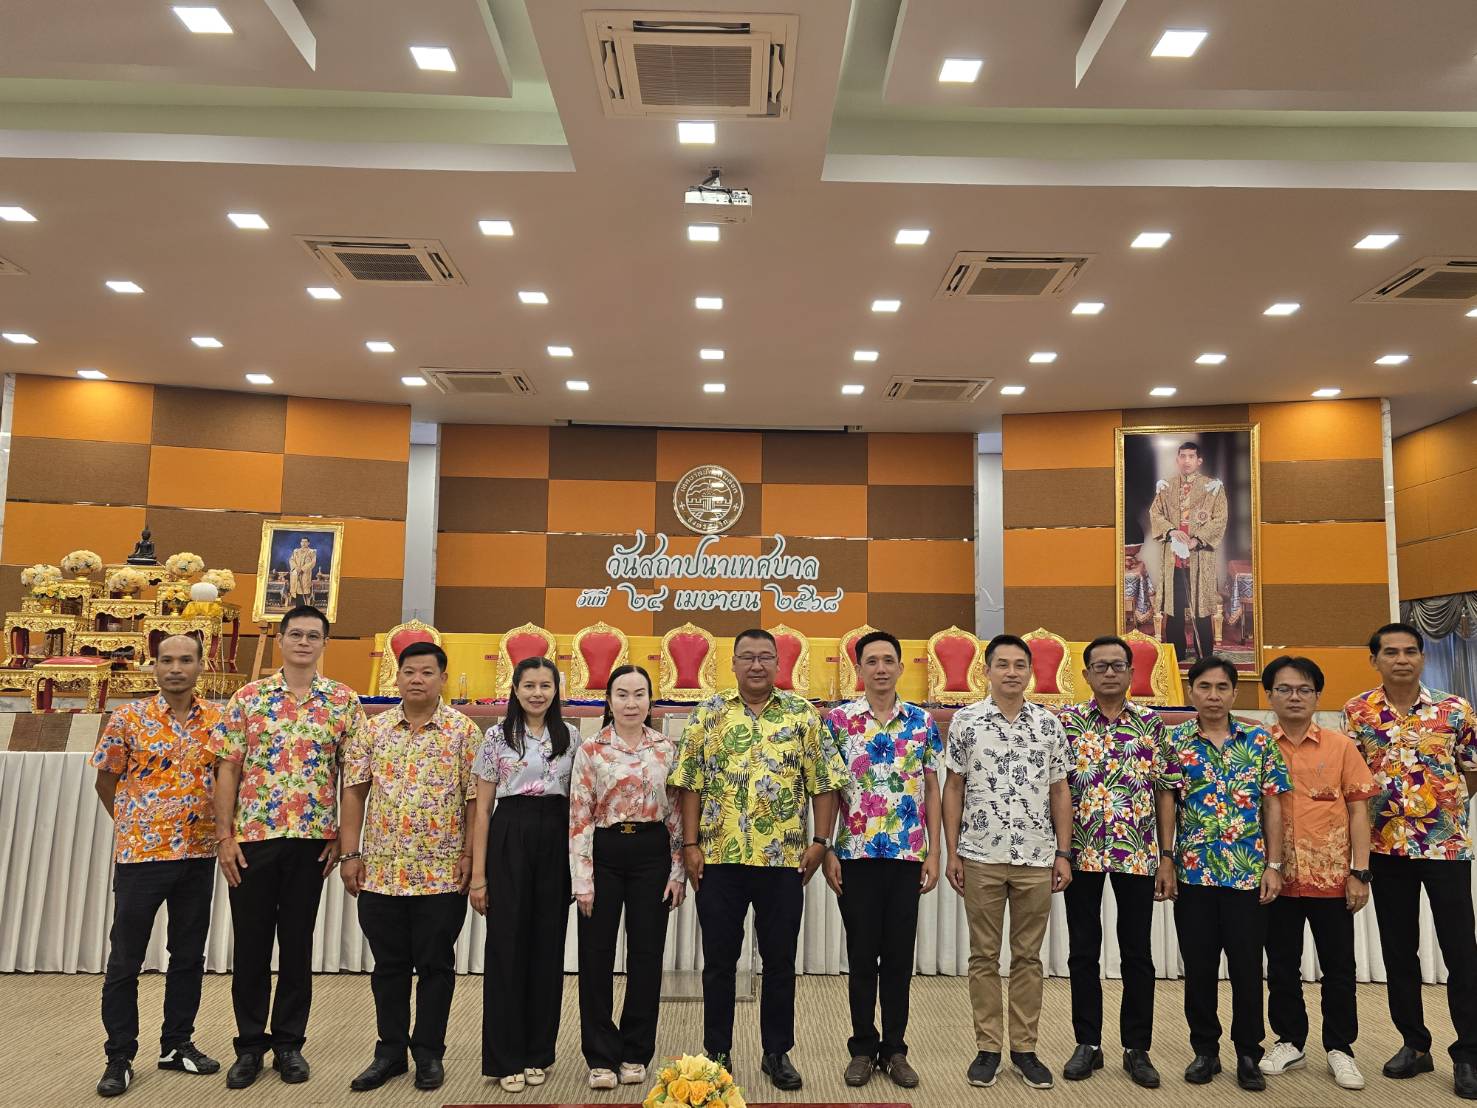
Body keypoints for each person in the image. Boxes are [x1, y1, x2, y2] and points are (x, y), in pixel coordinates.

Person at [669, 628, 846, 1091]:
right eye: (746, 656)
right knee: (719, 961)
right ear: (732, 663)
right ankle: (717, 1052)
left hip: (784, 860)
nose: (756, 665)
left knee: (780, 960)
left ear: (778, 663)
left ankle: (776, 1052)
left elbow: (824, 782)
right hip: (718, 857)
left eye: (765, 657)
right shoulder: (709, 713)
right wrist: (690, 845)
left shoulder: (802, 715)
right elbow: (689, 783)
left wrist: (821, 840)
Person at [211, 604, 366, 1089]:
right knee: (252, 945)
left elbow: (353, 777)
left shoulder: (343, 701)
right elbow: (227, 768)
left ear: (324, 644)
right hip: (253, 839)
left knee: (297, 945)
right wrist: (224, 837)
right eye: (295, 634)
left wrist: (344, 838)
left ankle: (289, 1044)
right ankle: (249, 1046)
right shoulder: (248, 697)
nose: (303, 642)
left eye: (313, 636)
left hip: (312, 842)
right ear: (281, 640)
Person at [338, 641, 480, 1094]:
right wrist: (349, 854)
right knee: (388, 967)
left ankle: (429, 1053)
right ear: (396, 677)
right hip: (381, 872)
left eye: (427, 672)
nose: (417, 679)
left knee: (436, 965)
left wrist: (469, 855)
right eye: (409, 672)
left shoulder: (463, 732)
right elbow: (354, 792)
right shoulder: (373, 730)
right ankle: (389, 1052)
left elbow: (475, 801)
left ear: (442, 678)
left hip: (441, 873)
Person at [1343, 622, 1477, 1099]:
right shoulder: (1358, 711)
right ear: (1374, 660)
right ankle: (1415, 1045)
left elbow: (1472, 768)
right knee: (1399, 951)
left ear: (1422, 657)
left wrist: (1442, 808)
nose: (1401, 659)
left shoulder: (1455, 709)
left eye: (1410, 651)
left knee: (1461, 951)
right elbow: (1353, 781)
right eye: (1391, 652)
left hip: (1445, 847)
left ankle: (1469, 1053)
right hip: (1385, 848)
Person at [91, 635, 221, 1098]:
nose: (176, 668)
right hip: (142, 857)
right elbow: (106, 781)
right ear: (154, 666)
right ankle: (119, 1055)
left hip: (198, 854)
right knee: (126, 958)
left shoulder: (218, 720)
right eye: (167, 660)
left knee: (188, 955)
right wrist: (136, 824)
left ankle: (177, 1044)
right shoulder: (128, 718)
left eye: (186, 660)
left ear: (201, 666)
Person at [943, 633, 1072, 1091]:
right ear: (987, 670)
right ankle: (988, 1048)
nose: (1012, 672)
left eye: (1020, 665)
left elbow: (1060, 790)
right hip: (981, 855)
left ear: (1031, 671)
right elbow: (953, 787)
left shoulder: (1049, 724)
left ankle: (1024, 1049)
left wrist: (1063, 852)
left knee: (1028, 957)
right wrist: (953, 850)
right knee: (983, 955)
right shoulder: (966, 722)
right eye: (1003, 664)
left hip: (1036, 857)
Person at [819, 629, 941, 1090]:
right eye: (872, 661)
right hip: (855, 855)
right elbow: (829, 789)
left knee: (897, 956)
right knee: (861, 954)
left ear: (901, 667)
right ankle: (862, 1048)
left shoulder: (921, 722)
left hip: (908, 855)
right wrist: (828, 847)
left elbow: (931, 787)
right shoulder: (839, 721)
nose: (881, 668)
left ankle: (895, 1049)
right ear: (859, 669)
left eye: (889, 660)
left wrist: (935, 850)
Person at [1162, 654, 1289, 1091]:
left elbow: (1273, 805)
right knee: (1199, 968)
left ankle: (1249, 1053)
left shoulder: (1259, 740)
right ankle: (1205, 1050)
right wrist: (1166, 858)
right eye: (1204, 687)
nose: (1213, 696)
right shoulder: (1175, 741)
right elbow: (1167, 802)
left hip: (1247, 874)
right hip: (1194, 874)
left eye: (1221, 688)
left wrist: (1274, 865)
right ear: (1191, 691)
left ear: (1235, 693)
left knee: (1247, 968)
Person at [1057, 634, 1178, 1089]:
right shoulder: (1066, 723)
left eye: (1117, 666)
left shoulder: (1152, 724)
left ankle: (1137, 1047)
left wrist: (1166, 856)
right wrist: (1059, 851)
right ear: (1085, 674)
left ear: (1131, 672)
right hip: (1080, 852)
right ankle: (1087, 1043)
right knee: (1082, 951)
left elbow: (1165, 793)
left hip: (1137, 852)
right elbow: (1056, 789)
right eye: (1100, 666)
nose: (1109, 673)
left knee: (1137, 953)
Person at [1259, 655, 1376, 1091]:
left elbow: (1359, 810)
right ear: (1269, 695)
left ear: (1317, 696)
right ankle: (1290, 1041)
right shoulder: (1256, 745)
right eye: (1285, 689)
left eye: (1304, 690)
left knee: (1339, 968)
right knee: (1282, 965)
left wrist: (1360, 872)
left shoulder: (1341, 746)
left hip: (1332, 878)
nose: (1295, 697)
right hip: (1277, 877)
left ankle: (1340, 1048)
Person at [570, 665, 686, 1092]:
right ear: (609, 700)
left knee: (646, 956)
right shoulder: (591, 749)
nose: (631, 703)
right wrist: (582, 878)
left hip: (651, 854)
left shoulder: (666, 748)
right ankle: (600, 1055)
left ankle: (636, 1051)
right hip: (605, 852)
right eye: (622, 694)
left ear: (651, 700)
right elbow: (579, 815)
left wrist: (677, 871)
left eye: (639, 694)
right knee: (595, 957)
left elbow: (676, 813)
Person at [469, 656, 580, 1094]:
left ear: (556, 690)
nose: (537, 693)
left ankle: (538, 1052)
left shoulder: (570, 736)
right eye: (529, 685)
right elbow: (482, 811)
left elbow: (579, 802)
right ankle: (505, 1057)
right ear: (515, 690)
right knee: (507, 948)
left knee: (547, 947)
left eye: (545, 685)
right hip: (509, 835)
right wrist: (479, 876)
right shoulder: (496, 737)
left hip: (555, 837)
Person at [1147, 440, 1227, 664]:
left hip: (1200, 557)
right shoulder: (1167, 486)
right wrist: (1171, 531)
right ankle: (1177, 654)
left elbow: (1220, 519)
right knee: (1174, 610)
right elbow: (1155, 513)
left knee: (1201, 608)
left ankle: (1204, 655)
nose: (1186, 461)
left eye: (1191, 456)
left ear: (1199, 460)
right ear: (1177, 460)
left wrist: (1197, 540)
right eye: (1182, 456)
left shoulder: (1213, 487)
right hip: (1174, 557)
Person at [287, 538, 316, 607]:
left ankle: (304, 608)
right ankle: (298, 607)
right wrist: (296, 568)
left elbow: (312, 562)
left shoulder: (312, 552)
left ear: (308, 543)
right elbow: (291, 560)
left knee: (304, 590)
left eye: (305, 542)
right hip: (296, 573)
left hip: (305, 574)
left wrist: (302, 569)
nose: (304, 543)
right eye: (302, 542)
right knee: (297, 590)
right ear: (300, 543)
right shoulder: (296, 551)